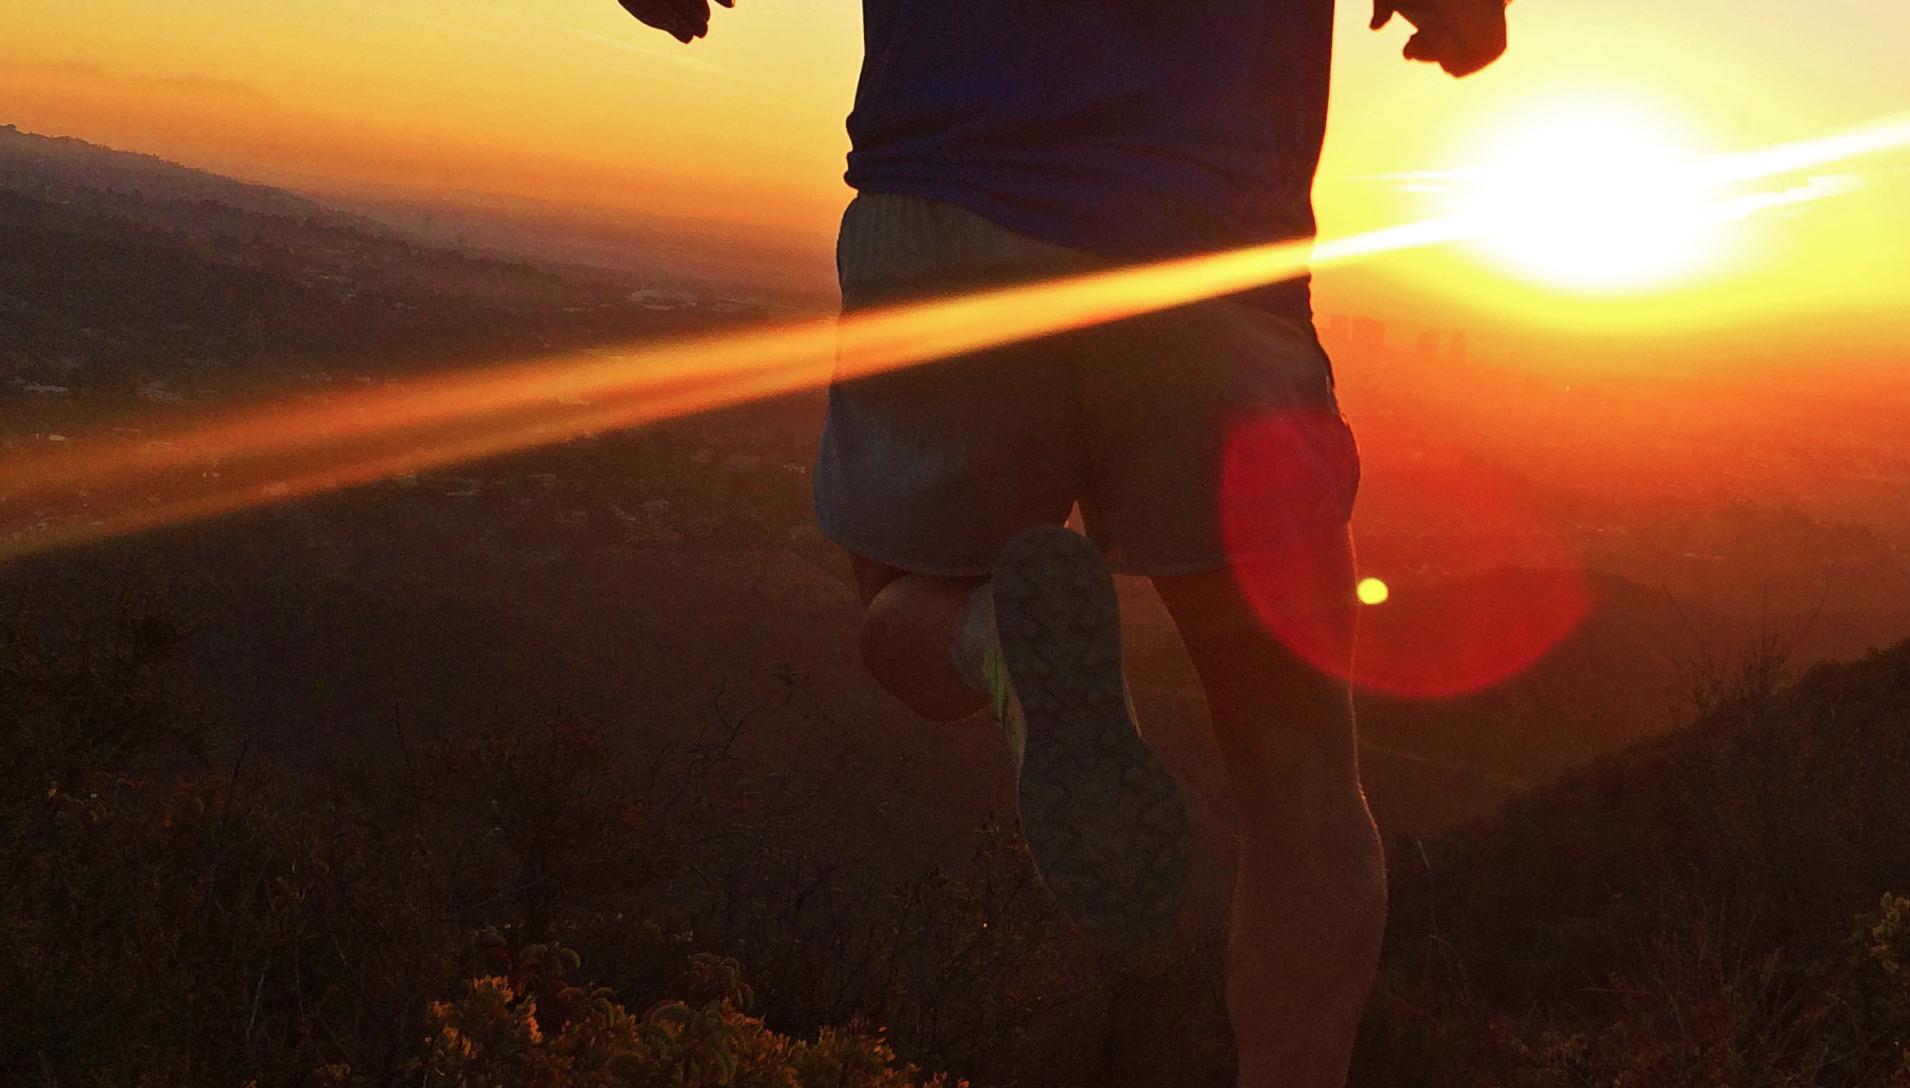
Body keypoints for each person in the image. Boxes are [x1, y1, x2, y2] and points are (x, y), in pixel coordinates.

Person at [614, 0, 1507, 1083]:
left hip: (948, 209)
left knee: (903, 605)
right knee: (1301, 773)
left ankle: (988, 635)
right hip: (1208, 256)